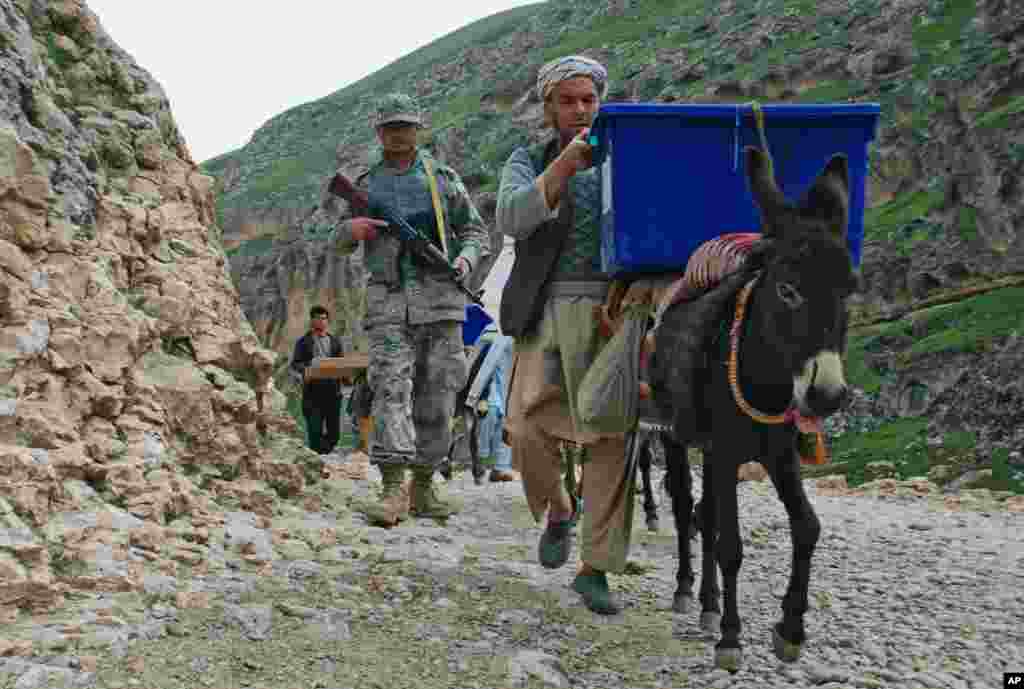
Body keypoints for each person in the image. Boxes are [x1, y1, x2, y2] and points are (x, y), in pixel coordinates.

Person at [496, 55, 633, 615]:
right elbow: (511, 218)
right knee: (526, 428)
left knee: (610, 439)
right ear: (549, 107)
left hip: (613, 312)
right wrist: (562, 171)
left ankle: (595, 566)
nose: (580, 111)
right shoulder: (527, 159)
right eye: (568, 101)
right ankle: (558, 507)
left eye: (589, 100)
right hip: (546, 309)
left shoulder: (627, 156)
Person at [330, 93, 490, 526]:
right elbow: (338, 240)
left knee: (439, 395)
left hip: (441, 301)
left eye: (406, 126)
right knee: (390, 391)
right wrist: (353, 228)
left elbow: (475, 230)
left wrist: (465, 260)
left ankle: (423, 486)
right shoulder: (364, 184)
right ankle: (391, 488)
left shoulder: (442, 178)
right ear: (379, 131)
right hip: (388, 300)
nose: (399, 134)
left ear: (418, 129)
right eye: (391, 127)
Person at [290, 305, 345, 454]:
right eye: (318, 318)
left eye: (324, 319)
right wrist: (309, 369)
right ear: (312, 321)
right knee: (314, 430)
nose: (321, 322)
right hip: (312, 392)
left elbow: (341, 363)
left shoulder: (335, 342)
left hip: (333, 392)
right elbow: (295, 363)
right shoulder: (303, 342)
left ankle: (324, 453)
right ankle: (319, 460)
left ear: (327, 321)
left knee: (334, 433)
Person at [465, 323, 516, 482]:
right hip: (485, 392)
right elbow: (477, 365)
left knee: (506, 424)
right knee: (486, 421)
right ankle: (480, 463)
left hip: (504, 390)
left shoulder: (512, 339)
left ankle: (500, 468)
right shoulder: (488, 335)